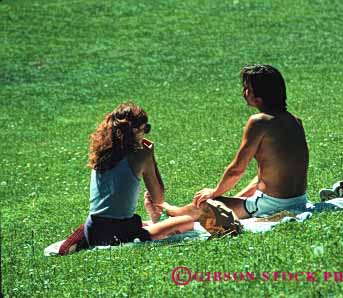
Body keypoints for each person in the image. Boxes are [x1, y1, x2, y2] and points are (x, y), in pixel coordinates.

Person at [150, 64, 309, 220]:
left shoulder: (260, 122)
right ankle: (231, 205)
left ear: (260, 96)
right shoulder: (295, 121)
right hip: (298, 201)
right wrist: (237, 198)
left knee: (207, 204)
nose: (244, 93)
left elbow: (237, 169)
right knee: (226, 200)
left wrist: (214, 193)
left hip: (271, 206)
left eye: (247, 89)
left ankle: (169, 211)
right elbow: (272, 174)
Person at [61, 103, 194, 252]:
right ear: (135, 130)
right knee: (187, 221)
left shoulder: (101, 153)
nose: (145, 134)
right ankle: (157, 219)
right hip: (120, 232)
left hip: (93, 227)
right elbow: (159, 198)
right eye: (146, 129)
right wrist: (151, 156)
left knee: (141, 223)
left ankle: (154, 220)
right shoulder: (141, 156)